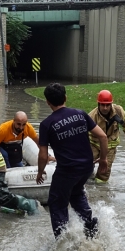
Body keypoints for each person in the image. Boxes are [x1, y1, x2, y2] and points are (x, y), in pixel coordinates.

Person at [36, 83, 108, 239]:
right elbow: (102, 136)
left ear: (47, 102)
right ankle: (90, 228)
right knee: (76, 193)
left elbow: (43, 155)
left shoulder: (46, 124)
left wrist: (40, 172)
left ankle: (62, 240)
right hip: (86, 168)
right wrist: (103, 159)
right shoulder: (80, 114)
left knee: (57, 203)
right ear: (65, 97)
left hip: (67, 171)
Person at [88, 90, 125, 183]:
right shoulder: (92, 116)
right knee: (86, 162)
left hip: (110, 145)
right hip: (95, 143)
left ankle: (100, 188)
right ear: (98, 104)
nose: (105, 108)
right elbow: (84, 133)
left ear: (111, 104)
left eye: (107, 105)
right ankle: (87, 177)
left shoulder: (118, 111)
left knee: (105, 169)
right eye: (102, 105)